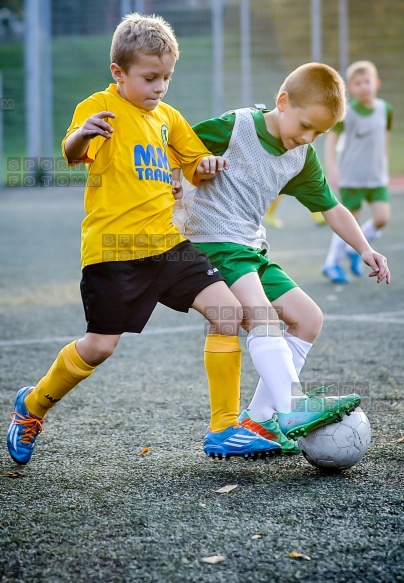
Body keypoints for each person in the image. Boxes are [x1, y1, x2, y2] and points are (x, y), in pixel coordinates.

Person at [7, 13, 283, 466]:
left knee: (228, 312)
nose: (160, 88)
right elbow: (73, 153)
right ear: (119, 73)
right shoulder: (101, 108)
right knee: (99, 347)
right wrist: (82, 135)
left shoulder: (169, 118)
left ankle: (224, 428)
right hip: (113, 250)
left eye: (167, 78)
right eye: (150, 78)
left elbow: (195, 163)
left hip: (169, 246)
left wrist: (206, 166)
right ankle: (32, 407)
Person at [171, 62, 390, 454]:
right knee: (263, 316)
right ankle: (292, 405)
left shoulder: (302, 155)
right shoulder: (233, 128)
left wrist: (365, 248)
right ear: (283, 102)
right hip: (213, 242)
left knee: (309, 318)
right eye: (305, 125)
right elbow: (175, 150)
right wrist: (179, 174)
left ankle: (259, 421)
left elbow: (332, 207)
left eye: (319, 133)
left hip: (250, 248)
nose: (308, 137)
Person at [322, 60, 392, 283]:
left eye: (367, 81)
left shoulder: (385, 109)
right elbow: (331, 141)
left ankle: (355, 249)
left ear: (377, 83)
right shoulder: (347, 113)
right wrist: (332, 168)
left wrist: (384, 164)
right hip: (351, 177)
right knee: (348, 223)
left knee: (382, 218)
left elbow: (385, 139)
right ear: (351, 88)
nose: (364, 86)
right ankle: (331, 264)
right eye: (358, 83)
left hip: (376, 177)